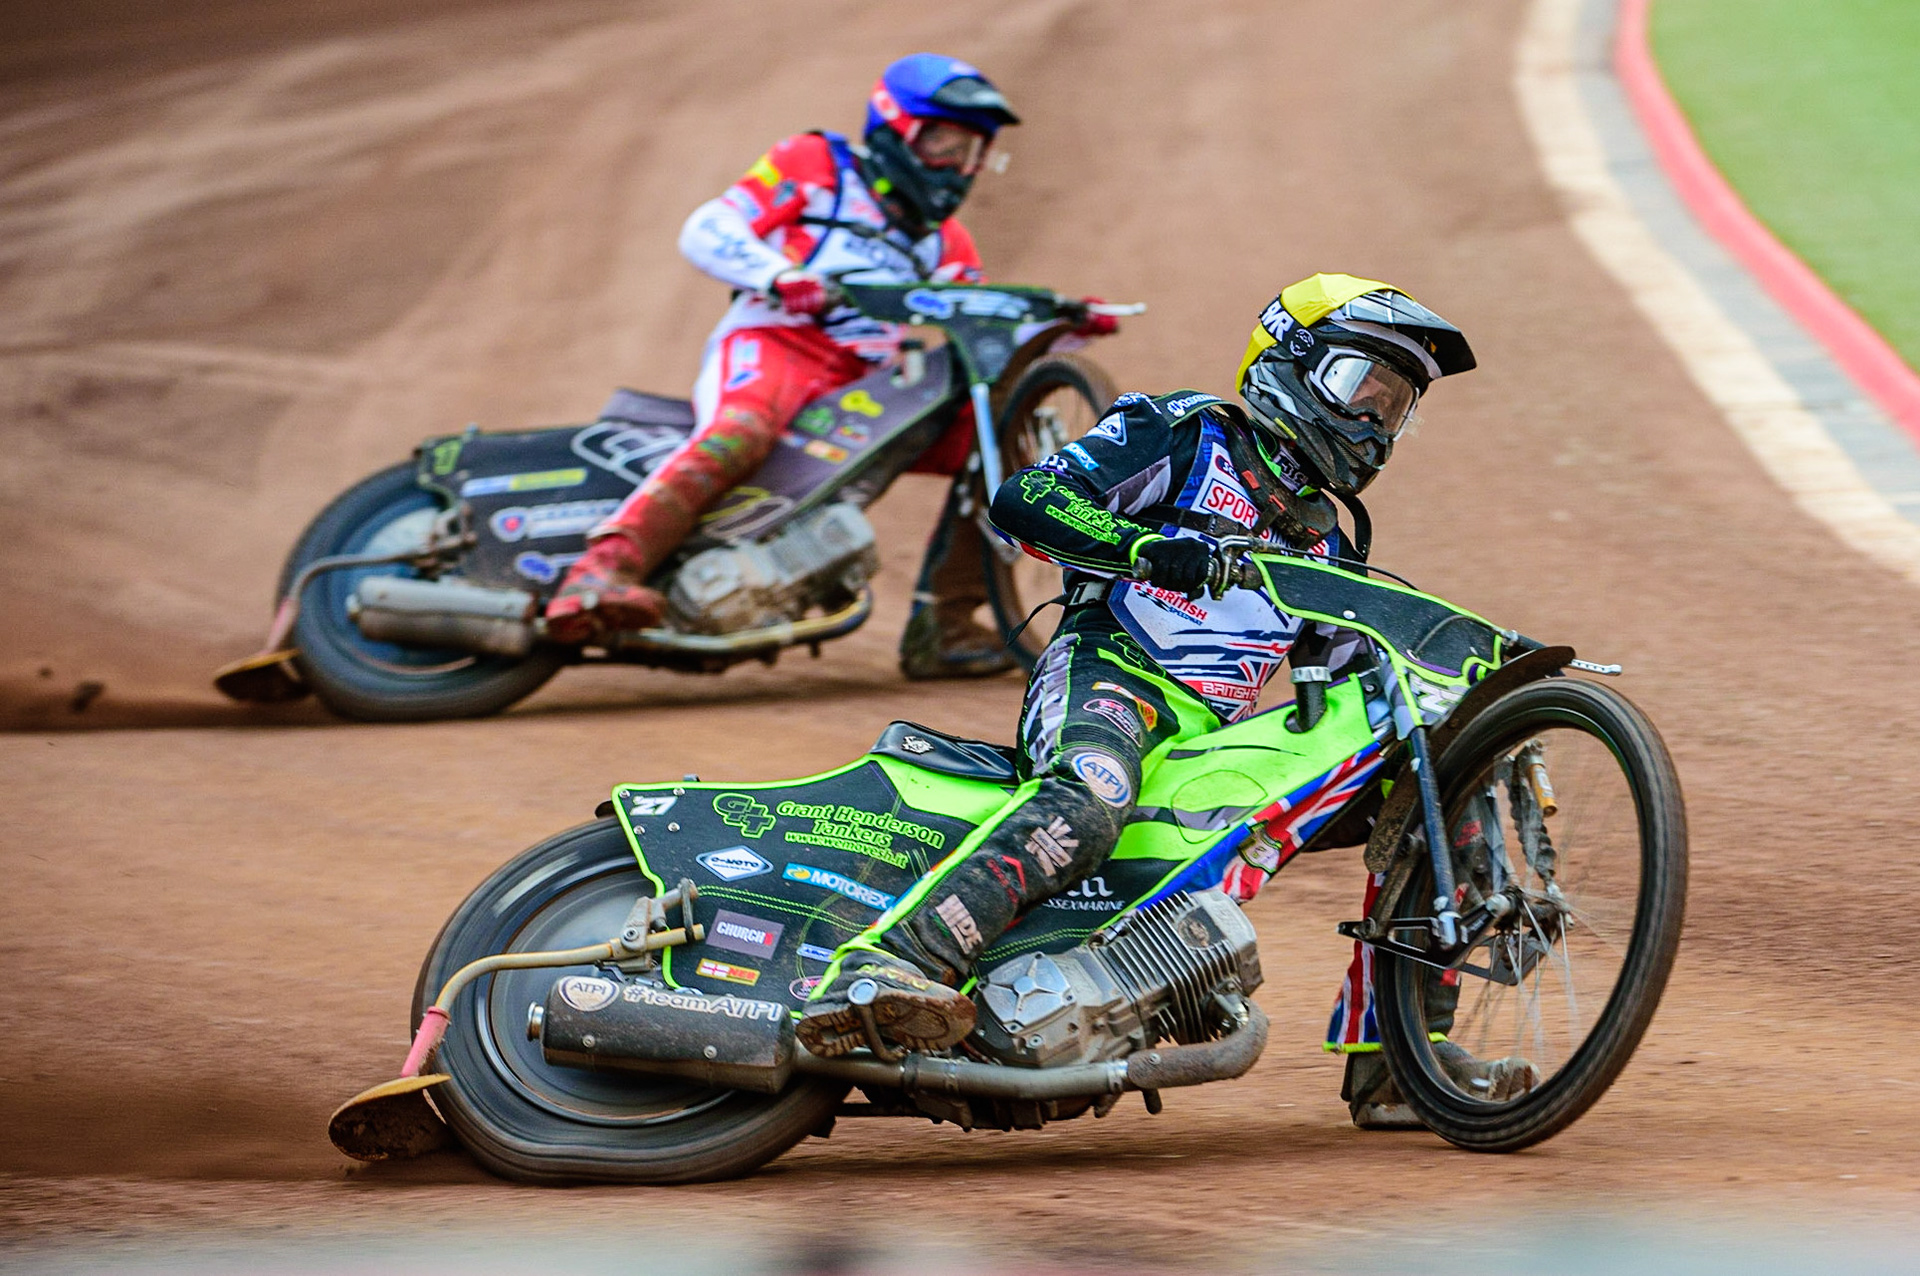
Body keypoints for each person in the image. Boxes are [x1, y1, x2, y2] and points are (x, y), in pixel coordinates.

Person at [797, 274, 1523, 1125]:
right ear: (1291, 362)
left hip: (1211, 740)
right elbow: (1027, 497)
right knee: (1094, 794)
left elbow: (1353, 679)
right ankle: (885, 964)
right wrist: (1144, 546)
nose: (1372, 420)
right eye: (1359, 386)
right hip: (1110, 676)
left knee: (1440, 793)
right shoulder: (1184, 432)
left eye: (1393, 405)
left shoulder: (1331, 538)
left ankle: (1399, 1064)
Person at [545, 53, 1114, 679]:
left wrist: (1059, 330)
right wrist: (778, 275)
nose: (961, 167)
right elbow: (710, 226)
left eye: (976, 151)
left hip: (866, 387)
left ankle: (945, 626)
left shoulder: (947, 243)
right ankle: (599, 572)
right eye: (946, 142)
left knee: (997, 447)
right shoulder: (814, 166)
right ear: (897, 126)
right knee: (742, 430)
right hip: (777, 343)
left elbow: (980, 326)